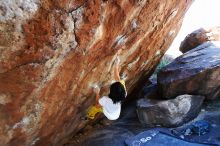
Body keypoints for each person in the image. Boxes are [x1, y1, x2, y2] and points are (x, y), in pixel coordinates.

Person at [86, 56, 127, 120]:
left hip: (110, 115)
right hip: (116, 113)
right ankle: (122, 79)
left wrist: (97, 93)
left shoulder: (105, 100)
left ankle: (90, 116)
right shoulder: (123, 93)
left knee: (95, 108)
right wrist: (116, 64)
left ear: (111, 92)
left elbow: (97, 104)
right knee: (121, 81)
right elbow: (117, 79)